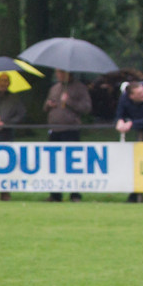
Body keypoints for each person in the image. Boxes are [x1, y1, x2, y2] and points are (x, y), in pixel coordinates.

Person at [44, 68, 91, 201]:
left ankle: (75, 193)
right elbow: (45, 107)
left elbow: (86, 108)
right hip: (55, 130)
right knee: (54, 164)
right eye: (57, 72)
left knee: (72, 164)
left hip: (70, 130)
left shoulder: (80, 88)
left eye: (61, 72)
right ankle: (55, 194)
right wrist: (49, 104)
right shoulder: (54, 88)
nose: (58, 75)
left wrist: (69, 101)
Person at [115, 82, 143, 202]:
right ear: (131, 96)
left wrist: (132, 124)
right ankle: (137, 193)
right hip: (141, 135)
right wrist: (119, 121)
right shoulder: (124, 98)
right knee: (139, 163)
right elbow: (119, 115)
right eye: (139, 93)